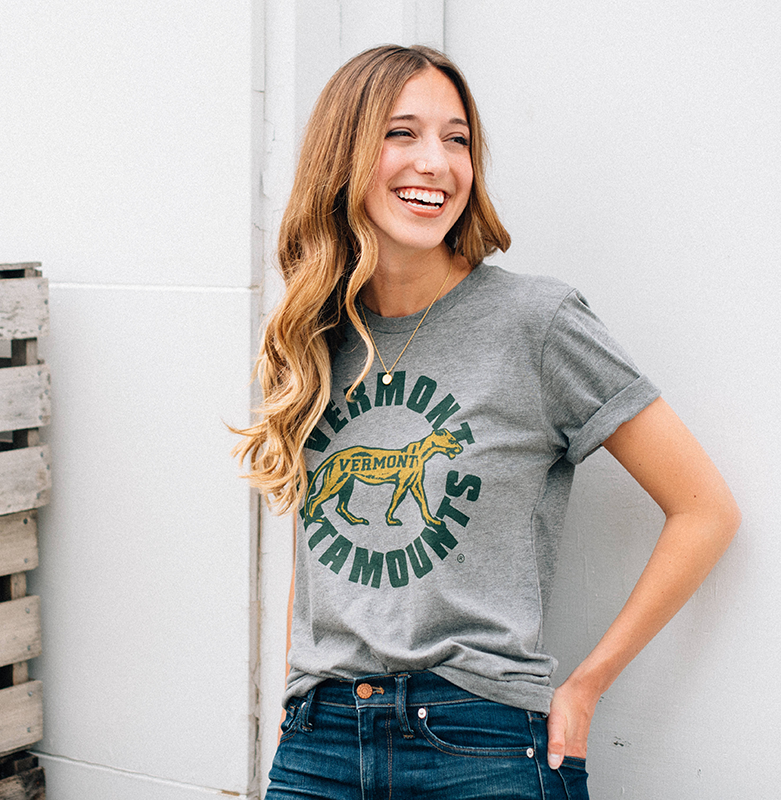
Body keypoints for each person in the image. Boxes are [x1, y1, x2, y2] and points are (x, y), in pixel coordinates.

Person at [233, 44, 740, 800]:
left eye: (457, 138)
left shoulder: (536, 322)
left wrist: (586, 686)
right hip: (320, 743)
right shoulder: (315, 337)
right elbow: (317, 557)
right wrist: (296, 701)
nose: (435, 162)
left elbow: (705, 510)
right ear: (343, 154)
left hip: (478, 741)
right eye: (401, 133)